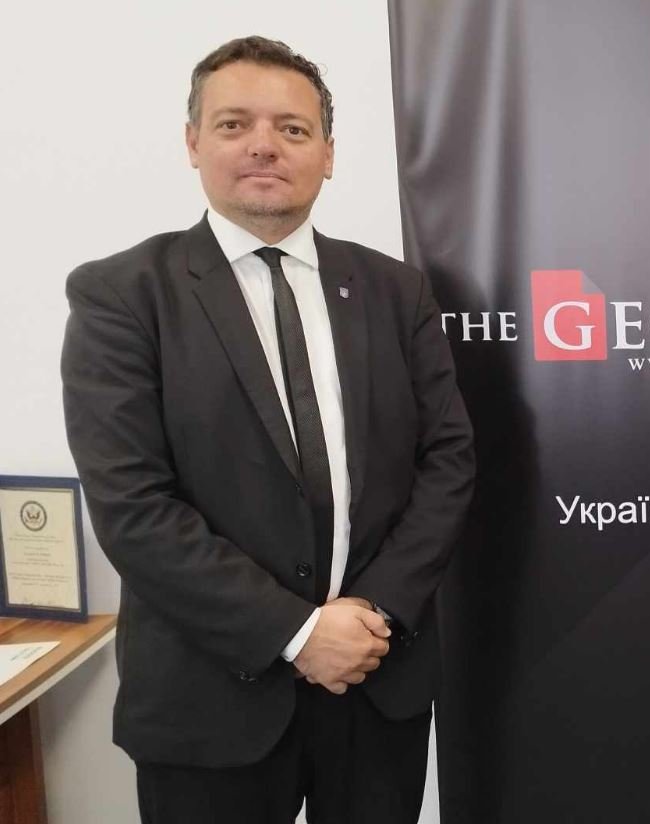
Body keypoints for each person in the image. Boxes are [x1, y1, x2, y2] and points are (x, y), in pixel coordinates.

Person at [60, 36, 475, 824]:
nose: (263, 145)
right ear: (193, 143)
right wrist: (296, 633)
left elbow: (447, 460)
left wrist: (375, 612)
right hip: (211, 697)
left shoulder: (396, 291)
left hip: (375, 678)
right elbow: (133, 505)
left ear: (327, 154)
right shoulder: (122, 296)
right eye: (233, 124)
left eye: (292, 128)